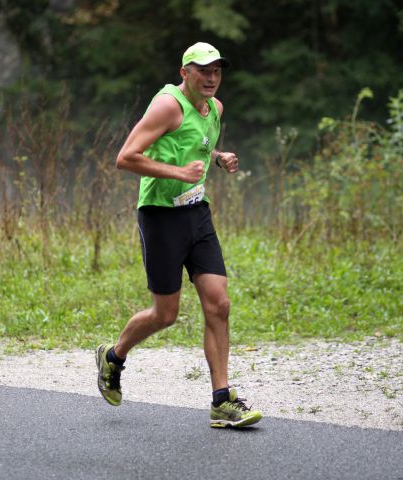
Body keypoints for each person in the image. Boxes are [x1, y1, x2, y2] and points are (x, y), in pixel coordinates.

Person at [96, 42, 262, 428]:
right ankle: (114, 356)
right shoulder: (167, 105)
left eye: (217, 71)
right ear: (184, 73)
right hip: (160, 216)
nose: (211, 78)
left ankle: (222, 401)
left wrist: (217, 157)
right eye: (202, 71)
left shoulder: (215, 109)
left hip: (197, 215)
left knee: (218, 304)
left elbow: (196, 142)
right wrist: (178, 174)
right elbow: (125, 157)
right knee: (165, 314)